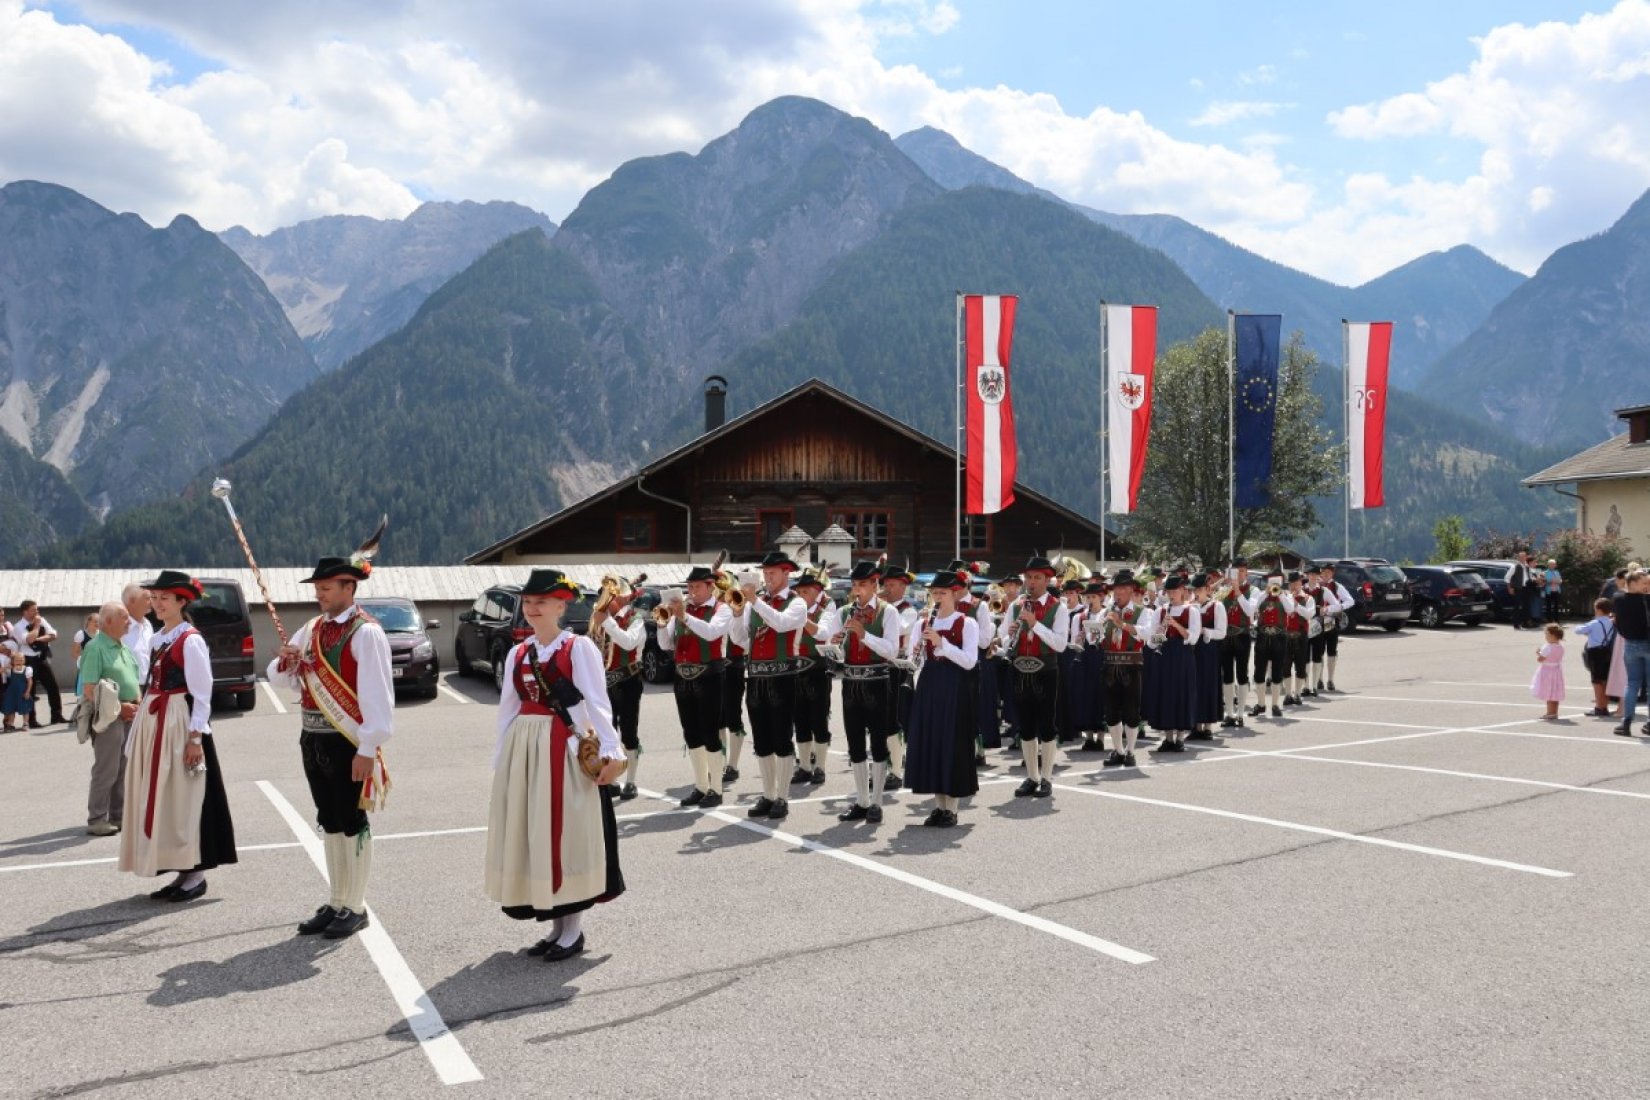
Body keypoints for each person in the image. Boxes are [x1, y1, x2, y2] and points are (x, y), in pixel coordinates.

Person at [484, 568, 626, 962]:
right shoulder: (518, 652)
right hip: (526, 751)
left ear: (561, 606)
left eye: (541, 602)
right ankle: (556, 928)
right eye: (528, 602)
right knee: (539, 835)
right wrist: (502, 760)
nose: (532, 609)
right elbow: (508, 709)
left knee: (568, 835)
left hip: (565, 748)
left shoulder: (578, 648)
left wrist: (612, 749)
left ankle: (573, 929)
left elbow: (597, 702)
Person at [268, 547, 395, 940]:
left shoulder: (366, 632)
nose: (318, 593)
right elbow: (281, 678)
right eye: (317, 586)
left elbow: (378, 696)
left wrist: (367, 749)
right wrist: (288, 660)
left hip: (346, 741)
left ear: (349, 586)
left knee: (352, 820)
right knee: (329, 819)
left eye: (326, 586)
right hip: (312, 737)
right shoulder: (312, 629)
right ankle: (337, 900)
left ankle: (355, 906)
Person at [118, 572, 237, 902]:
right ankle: (181, 870)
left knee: (187, 797)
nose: (157, 604)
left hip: (180, 724)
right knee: (167, 799)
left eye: (165, 599)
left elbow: (202, 693)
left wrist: (195, 739)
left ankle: (196, 873)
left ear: (182, 602)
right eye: (154, 598)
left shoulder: (190, 640)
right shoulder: (158, 638)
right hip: (156, 721)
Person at [903, 570, 979, 828]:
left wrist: (941, 643)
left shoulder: (967, 623)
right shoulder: (922, 624)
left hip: (955, 686)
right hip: (930, 684)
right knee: (933, 742)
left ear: (954, 594)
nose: (937, 597)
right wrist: (916, 654)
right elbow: (914, 661)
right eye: (934, 593)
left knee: (952, 743)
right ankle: (938, 806)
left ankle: (952, 809)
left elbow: (970, 662)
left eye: (942, 593)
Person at [738, 551, 807, 818]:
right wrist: (737, 614)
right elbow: (741, 640)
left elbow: (781, 625)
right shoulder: (756, 603)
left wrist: (754, 601)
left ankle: (782, 797)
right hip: (756, 677)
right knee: (761, 739)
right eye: (765, 573)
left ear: (786, 572)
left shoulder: (797, 603)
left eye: (772, 573)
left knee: (781, 738)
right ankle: (767, 795)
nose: (767, 577)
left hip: (782, 678)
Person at [833, 560, 903, 824]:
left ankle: (876, 802)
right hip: (851, 683)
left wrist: (864, 636)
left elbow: (892, 650)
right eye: (854, 585)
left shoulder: (889, 612)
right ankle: (861, 801)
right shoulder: (844, 612)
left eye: (862, 584)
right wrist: (834, 645)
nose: (857, 590)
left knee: (878, 742)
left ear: (874, 584)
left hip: (877, 682)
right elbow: (830, 643)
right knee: (854, 743)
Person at [657, 565, 732, 809]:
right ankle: (701, 786)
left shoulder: (722, 609)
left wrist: (684, 616)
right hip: (683, 678)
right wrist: (662, 623)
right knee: (691, 733)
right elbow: (666, 645)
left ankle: (716, 789)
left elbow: (711, 633)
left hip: (709, 677)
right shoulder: (683, 610)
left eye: (696, 587)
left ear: (710, 586)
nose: (691, 591)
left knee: (710, 733)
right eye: (689, 587)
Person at [998, 554, 1069, 798]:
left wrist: (1035, 624)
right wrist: (1008, 635)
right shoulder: (1015, 605)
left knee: (1047, 725)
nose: (1031, 582)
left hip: (1046, 671)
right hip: (1019, 669)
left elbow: (1060, 644)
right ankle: (1032, 776)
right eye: (1028, 577)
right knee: (1025, 726)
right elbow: (1003, 640)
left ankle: (1047, 778)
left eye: (1037, 578)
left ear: (1047, 580)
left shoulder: (1059, 608)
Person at [79, 603, 140, 836]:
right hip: (109, 717)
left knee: (123, 768)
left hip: (129, 715)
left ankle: (118, 815)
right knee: (107, 769)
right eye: (124, 617)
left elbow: (132, 678)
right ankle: (97, 818)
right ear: (108, 621)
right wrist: (120, 707)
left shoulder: (122, 646)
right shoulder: (95, 647)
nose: (129, 622)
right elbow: (89, 690)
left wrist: (136, 703)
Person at [590, 575, 647, 801]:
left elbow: (628, 642)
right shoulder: (602, 619)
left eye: (609, 597)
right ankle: (611, 778)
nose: (604, 601)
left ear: (621, 598)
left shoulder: (636, 619)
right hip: (605, 682)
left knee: (629, 731)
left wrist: (606, 622)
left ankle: (631, 781)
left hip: (628, 680)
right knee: (606, 731)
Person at [790, 568, 838, 786]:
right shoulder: (793, 608)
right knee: (799, 719)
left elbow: (823, 632)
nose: (801, 595)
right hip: (796, 668)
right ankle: (804, 767)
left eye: (805, 591)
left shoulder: (826, 607)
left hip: (818, 668)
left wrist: (802, 619)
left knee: (818, 719)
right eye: (798, 591)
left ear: (817, 591)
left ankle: (820, 767)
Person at [1099, 571, 1150, 768]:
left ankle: (1131, 751)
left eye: (1121, 589)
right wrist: (1094, 631)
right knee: (1111, 711)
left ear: (1130, 590)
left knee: (1131, 710)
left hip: (1131, 664)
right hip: (1110, 664)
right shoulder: (1106, 612)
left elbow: (1146, 634)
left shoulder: (1142, 611)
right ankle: (1119, 751)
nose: (1117, 593)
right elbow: (1096, 639)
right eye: (1115, 590)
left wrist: (1123, 624)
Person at [1148, 575, 1201, 752]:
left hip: (1182, 656)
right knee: (1165, 693)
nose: (1171, 595)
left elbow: (1193, 638)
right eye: (1169, 592)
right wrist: (1160, 630)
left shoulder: (1192, 611)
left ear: (1183, 591)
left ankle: (1180, 738)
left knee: (1181, 692)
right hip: (1164, 655)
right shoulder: (1160, 611)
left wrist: (1176, 625)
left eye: (1174, 591)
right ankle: (1168, 737)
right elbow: (1151, 642)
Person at [878, 564, 920, 790]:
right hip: (878, 666)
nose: (886, 589)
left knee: (895, 718)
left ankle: (895, 770)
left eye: (892, 585)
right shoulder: (880, 608)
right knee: (880, 718)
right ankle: (882, 767)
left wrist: (879, 609)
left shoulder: (908, 610)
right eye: (885, 584)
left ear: (903, 586)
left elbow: (900, 628)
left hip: (898, 667)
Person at [721, 570, 759, 785]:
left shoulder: (744, 607)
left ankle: (733, 765)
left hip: (733, 665)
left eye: (724, 588)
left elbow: (744, 640)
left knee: (732, 716)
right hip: (715, 667)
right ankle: (718, 761)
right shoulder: (717, 608)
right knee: (717, 718)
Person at [11, 600, 64, 728]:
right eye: (33, 610)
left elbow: (53, 634)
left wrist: (38, 639)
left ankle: (57, 716)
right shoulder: (18, 627)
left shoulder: (41, 619)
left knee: (53, 686)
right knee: (31, 690)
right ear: (25, 612)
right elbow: (29, 639)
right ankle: (31, 720)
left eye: (37, 609)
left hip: (41, 658)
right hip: (28, 659)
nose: (37, 612)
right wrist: (37, 626)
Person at [1220, 559, 1258, 728]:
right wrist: (1222, 586)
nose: (1239, 574)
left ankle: (1241, 713)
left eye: (1242, 571)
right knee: (1227, 675)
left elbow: (1250, 611)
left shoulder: (1254, 590)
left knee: (1242, 674)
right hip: (1225, 636)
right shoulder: (1223, 590)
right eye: (1236, 571)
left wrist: (1237, 591)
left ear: (1246, 573)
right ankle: (1229, 713)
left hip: (1242, 635)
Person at [1611, 569, 1650, 737]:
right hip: (1647, 643)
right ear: (1633, 583)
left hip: (1631, 643)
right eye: (1644, 583)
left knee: (1632, 683)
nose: (1647, 585)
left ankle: (1626, 722)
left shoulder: (1618, 598)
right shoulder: (1646, 599)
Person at [1574, 599, 1616, 718]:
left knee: (1596, 681)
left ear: (1599, 610)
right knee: (1604, 680)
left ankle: (1599, 707)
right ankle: (1605, 706)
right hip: (1607, 651)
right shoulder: (1611, 622)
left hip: (1595, 652)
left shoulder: (1595, 623)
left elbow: (1578, 630)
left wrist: (1588, 632)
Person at [1530, 624, 1566, 720]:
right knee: (1555, 692)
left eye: (1547, 634)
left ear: (1552, 635)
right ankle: (1554, 712)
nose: (1545, 637)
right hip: (1556, 671)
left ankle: (1550, 713)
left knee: (1549, 692)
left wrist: (1539, 654)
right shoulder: (1560, 647)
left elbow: (1541, 659)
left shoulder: (1548, 647)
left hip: (1547, 671)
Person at [122, 584, 156, 683]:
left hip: (149, 685)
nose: (152, 602)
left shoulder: (147, 625)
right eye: (147, 598)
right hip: (128, 687)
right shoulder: (118, 626)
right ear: (132, 601)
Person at [2, 643, 32, 732]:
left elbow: (30, 681)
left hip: (22, 691)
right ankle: (10, 724)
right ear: (13, 661)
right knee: (11, 708)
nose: (19, 662)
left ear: (24, 660)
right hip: (12, 692)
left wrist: (27, 691)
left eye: (21, 660)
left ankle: (25, 723)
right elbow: (2, 671)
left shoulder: (27, 669)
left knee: (25, 707)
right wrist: (7, 666)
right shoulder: (11, 670)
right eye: (17, 660)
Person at [72, 613, 99, 694]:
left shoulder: (101, 634)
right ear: (89, 622)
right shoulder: (81, 634)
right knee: (86, 691)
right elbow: (74, 652)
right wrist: (82, 661)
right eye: (95, 621)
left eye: (99, 621)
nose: (97, 623)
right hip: (87, 665)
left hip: (99, 664)